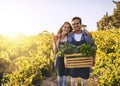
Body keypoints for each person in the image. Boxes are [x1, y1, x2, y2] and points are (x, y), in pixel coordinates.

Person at [67, 16, 97, 86]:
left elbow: (93, 46)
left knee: (85, 82)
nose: (75, 25)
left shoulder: (86, 35)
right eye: (74, 24)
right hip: (73, 63)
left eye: (77, 23)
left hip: (85, 62)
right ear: (72, 25)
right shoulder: (70, 36)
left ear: (80, 24)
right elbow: (66, 47)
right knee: (73, 82)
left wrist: (94, 58)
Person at [53, 22, 73, 86]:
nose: (66, 29)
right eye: (65, 27)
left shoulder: (70, 37)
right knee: (60, 77)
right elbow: (55, 52)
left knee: (66, 78)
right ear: (62, 28)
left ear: (69, 29)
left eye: (68, 28)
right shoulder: (57, 37)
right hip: (59, 59)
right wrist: (55, 42)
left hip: (67, 59)